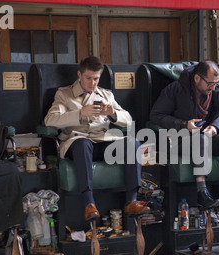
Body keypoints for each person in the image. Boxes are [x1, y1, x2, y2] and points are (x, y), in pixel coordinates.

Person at [45, 56, 149, 221]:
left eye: (96, 79)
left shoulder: (106, 94)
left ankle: (132, 201)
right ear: (79, 74)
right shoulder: (64, 94)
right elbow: (50, 120)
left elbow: (128, 119)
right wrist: (80, 113)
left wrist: (112, 114)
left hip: (103, 142)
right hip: (78, 142)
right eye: (88, 78)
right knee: (83, 144)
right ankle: (89, 204)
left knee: (132, 142)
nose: (92, 83)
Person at [149, 60, 219, 209]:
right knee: (199, 139)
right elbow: (155, 115)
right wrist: (183, 124)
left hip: (206, 137)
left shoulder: (217, 91)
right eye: (210, 83)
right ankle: (201, 192)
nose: (213, 88)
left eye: (216, 83)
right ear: (197, 78)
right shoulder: (175, 89)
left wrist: (215, 127)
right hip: (180, 141)